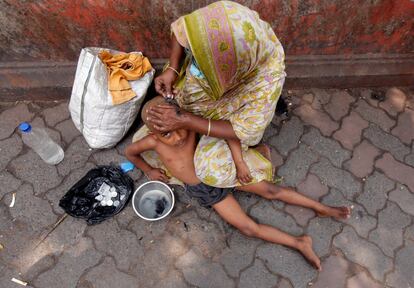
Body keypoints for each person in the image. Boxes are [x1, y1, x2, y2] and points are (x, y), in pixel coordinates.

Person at [126, 97, 352, 271]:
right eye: (167, 134)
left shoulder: (190, 123)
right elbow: (130, 153)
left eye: (178, 128)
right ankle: (299, 242)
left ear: (181, 116)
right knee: (247, 228)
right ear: (154, 133)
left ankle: (321, 208)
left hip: (222, 170)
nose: (177, 137)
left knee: (271, 191)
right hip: (204, 190)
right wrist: (150, 170)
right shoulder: (152, 142)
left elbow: (228, 133)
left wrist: (240, 163)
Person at [134, 1, 287, 188]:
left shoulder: (265, 85)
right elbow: (182, 30)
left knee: (211, 172)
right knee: (142, 143)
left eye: (204, 65)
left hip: (232, 123)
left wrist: (187, 121)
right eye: (194, 54)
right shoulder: (222, 20)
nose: (193, 62)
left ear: (230, 71)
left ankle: (256, 157)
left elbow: (241, 130)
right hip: (200, 104)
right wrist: (173, 69)